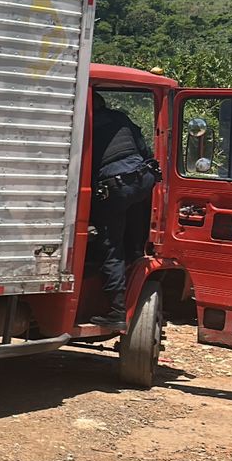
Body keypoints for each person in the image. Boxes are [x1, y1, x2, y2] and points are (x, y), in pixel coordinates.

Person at [90, 94, 160, 330]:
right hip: (143, 180)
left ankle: (116, 311)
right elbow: (145, 150)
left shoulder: (85, 125)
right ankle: (136, 254)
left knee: (110, 245)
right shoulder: (120, 118)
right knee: (135, 219)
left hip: (116, 187)